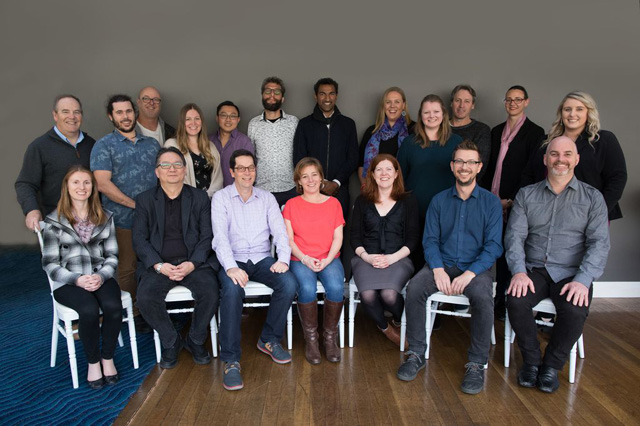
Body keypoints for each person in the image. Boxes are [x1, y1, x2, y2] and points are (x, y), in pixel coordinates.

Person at [505, 136, 610, 393]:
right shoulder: (526, 195)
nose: (560, 159)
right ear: (545, 159)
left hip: (572, 273)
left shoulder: (593, 198)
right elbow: (514, 237)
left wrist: (583, 281)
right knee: (516, 300)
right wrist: (518, 272)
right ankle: (531, 361)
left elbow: (599, 243)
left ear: (576, 159)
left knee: (575, 309)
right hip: (534, 270)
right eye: (554, 154)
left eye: (566, 154)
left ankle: (551, 366)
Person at [397, 141, 502, 395]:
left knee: (482, 297)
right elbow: (430, 240)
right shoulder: (439, 201)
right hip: (441, 264)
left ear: (479, 167)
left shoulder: (491, 203)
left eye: (470, 162)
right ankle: (416, 353)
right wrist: (437, 269)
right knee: (415, 289)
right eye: (460, 162)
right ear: (452, 166)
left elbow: (493, 246)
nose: (464, 167)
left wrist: (470, 274)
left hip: (475, 269)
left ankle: (476, 363)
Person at [212, 149, 297, 391]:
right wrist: (230, 267)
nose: (247, 173)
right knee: (231, 291)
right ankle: (231, 360)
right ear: (232, 172)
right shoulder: (221, 198)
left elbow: (280, 232)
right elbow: (220, 237)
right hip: (234, 259)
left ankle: (269, 339)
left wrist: (283, 259)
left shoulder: (267, 198)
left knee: (288, 283)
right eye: (241, 168)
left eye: (251, 168)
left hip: (261, 258)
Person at [132, 147, 220, 369]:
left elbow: (207, 235)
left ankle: (196, 339)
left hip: (192, 262)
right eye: (165, 165)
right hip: (160, 265)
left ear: (184, 170)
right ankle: (171, 341)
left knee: (211, 291)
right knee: (145, 297)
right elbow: (140, 239)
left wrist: (193, 263)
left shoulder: (199, 197)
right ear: (157, 172)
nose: (172, 169)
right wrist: (159, 265)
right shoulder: (144, 200)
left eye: (177, 165)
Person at [41, 166, 122, 389]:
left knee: (113, 306)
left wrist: (101, 276)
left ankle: (107, 358)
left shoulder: (105, 216)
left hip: (99, 276)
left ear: (93, 187)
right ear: (67, 187)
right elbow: (50, 263)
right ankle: (93, 362)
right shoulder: (53, 221)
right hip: (68, 281)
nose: (82, 187)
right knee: (88, 310)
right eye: (75, 182)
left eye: (86, 182)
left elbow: (112, 256)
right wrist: (77, 279)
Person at [91, 94, 161, 330]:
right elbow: (102, 183)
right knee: (127, 268)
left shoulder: (152, 145)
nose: (125, 116)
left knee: (153, 264)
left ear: (135, 113)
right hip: (122, 220)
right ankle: (134, 314)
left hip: (153, 220)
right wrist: (136, 205)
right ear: (111, 116)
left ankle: (153, 308)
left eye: (129, 111)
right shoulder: (104, 145)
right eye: (119, 112)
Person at [480, 85, 545, 319]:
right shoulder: (497, 131)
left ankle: (507, 301)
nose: (513, 103)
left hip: (516, 201)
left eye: (518, 99)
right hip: (492, 200)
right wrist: (489, 198)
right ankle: (494, 299)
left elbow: (532, 172)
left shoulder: (535, 133)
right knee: (493, 249)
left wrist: (511, 200)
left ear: (526, 102)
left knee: (512, 249)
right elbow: (489, 166)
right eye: (509, 99)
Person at [522, 91, 627, 221]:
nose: (572, 114)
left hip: (589, 213)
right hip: (546, 212)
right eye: (567, 109)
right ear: (561, 113)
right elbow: (529, 175)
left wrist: (599, 211)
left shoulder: (604, 140)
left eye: (579, 109)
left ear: (588, 112)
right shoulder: (546, 142)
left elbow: (617, 178)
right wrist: (530, 207)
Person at [351, 154, 419, 347]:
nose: (384, 173)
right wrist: (367, 257)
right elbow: (354, 237)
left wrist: (391, 258)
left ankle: (398, 320)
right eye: (379, 169)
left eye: (389, 169)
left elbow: (413, 239)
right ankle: (385, 328)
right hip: (365, 259)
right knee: (368, 295)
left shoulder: (408, 201)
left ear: (396, 174)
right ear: (372, 174)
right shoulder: (362, 201)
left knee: (389, 295)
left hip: (398, 258)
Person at [283, 157, 345, 364]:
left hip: (329, 257)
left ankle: (329, 339)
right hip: (300, 258)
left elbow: (338, 237)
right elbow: (289, 240)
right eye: (304, 176)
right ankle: (311, 340)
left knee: (336, 287)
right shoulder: (291, 205)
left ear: (321, 178)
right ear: (299, 181)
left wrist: (327, 260)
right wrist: (305, 258)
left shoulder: (334, 203)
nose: (310, 180)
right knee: (307, 288)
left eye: (314, 175)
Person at [397, 94, 463, 268]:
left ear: (443, 114)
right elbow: (399, 178)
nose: (431, 116)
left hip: (448, 209)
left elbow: (464, 175)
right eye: (427, 112)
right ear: (421, 115)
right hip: (415, 209)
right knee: (417, 256)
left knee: (444, 257)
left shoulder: (456, 142)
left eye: (436, 111)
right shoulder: (409, 143)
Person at [16, 94, 96, 231]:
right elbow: (25, 183)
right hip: (55, 224)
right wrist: (31, 210)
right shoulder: (39, 147)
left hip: (90, 223)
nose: (72, 116)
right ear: (55, 115)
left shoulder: (93, 145)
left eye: (76, 112)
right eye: (65, 111)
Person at [293, 77, 358, 218]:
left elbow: (353, 158)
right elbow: (299, 158)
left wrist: (336, 182)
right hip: (311, 189)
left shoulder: (348, 124)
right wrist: (318, 184)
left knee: (338, 228)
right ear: (315, 96)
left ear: (336, 96)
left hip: (340, 190)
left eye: (331, 94)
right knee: (311, 228)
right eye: (322, 94)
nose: (327, 98)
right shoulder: (305, 124)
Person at [248, 76, 299, 206]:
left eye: (276, 92)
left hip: (290, 188)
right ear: (262, 96)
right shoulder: (253, 124)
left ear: (283, 98)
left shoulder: (294, 122)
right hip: (261, 189)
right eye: (268, 91)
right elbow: (250, 156)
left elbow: (300, 153)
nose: (272, 95)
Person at [358, 86, 414, 187]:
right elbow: (361, 164)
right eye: (388, 102)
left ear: (403, 105)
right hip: (375, 190)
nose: (392, 106)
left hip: (406, 189)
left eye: (397, 102)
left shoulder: (415, 130)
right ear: (383, 106)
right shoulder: (371, 131)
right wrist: (366, 187)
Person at [165, 103, 223, 198]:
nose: (193, 123)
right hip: (184, 200)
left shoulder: (210, 146)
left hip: (210, 200)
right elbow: (170, 176)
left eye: (197, 118)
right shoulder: (172, 145)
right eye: (188, 119)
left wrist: (206, 197)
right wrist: (195, 198)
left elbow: (218, 177)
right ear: (182, 122)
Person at [449, 84, 491, 181]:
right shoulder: (439, 127)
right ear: (451, 103)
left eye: (467, 101)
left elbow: (479, 168)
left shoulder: (481, 130)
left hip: (467, 187)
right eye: (457, 100)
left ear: (472, 105)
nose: (461, 105)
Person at [209, 101, 254, 187]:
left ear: (238, 120)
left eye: (233, 116)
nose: (228, 120)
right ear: (217, 118)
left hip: (236, 192)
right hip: (210, 192)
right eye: (224, 115)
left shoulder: (244, 142)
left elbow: (249, 171)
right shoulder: (208, 141)